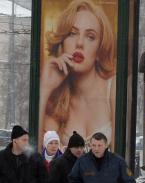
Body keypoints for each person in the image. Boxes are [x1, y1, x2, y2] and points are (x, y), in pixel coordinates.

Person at [39, 0, 116, 149]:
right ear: (61, 43)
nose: (79, 43)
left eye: (90, 36)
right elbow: (38, 157)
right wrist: (44, 89)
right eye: (72, 34)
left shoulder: (112, 88)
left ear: (100, 49)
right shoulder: (56, 103)